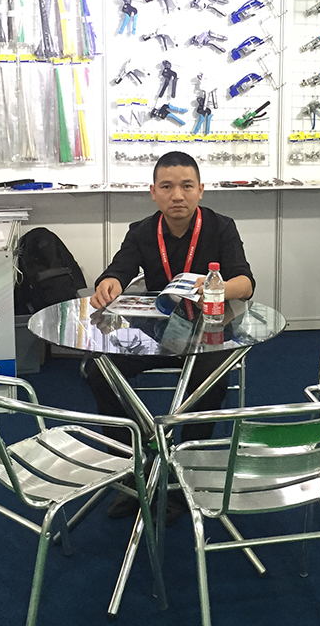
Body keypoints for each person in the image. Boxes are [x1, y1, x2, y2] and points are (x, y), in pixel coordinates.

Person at [86, 151, 255, 518]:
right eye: (167, 187)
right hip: (156, 335)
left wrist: (215, 288)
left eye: (186, 186)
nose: (177, 195)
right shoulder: (142, 231)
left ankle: (184, 472)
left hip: (210, 333)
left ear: (200, 190)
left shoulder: (221, 227)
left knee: (209, 379)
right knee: (98, 369)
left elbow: (245, 283)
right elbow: (118, 270)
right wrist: (109, 283)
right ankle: (133, 463)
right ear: (153, 192)